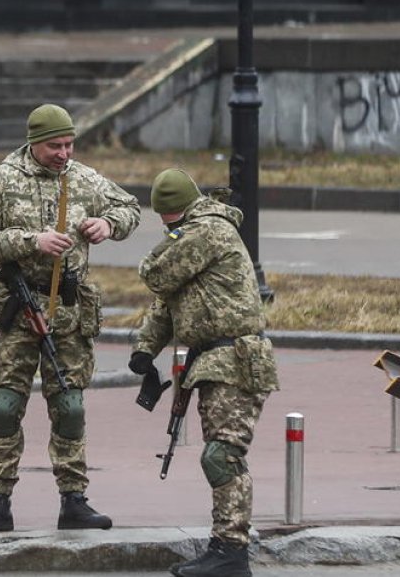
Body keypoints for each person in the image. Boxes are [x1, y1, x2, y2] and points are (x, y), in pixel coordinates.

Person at [0, 103, 141, 532]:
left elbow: (131, 208)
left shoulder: (83, 178)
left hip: (68, 314)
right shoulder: (1, 182)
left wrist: (108, 223)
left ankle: (74, 499)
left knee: (70, 406)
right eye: (54, 146)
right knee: (5, 407)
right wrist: (31, 241)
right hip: (18, 312)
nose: (64, 153)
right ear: (33, 143)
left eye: (68, 144)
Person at [128, 168, 279, 577]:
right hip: (214, 360)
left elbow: (155, 272)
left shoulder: (208, 230)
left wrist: (170, 240)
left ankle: (231, 552)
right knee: (219, 454)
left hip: (236, 357)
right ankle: (224, 547)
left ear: (180, 211)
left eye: (169, 221)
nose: (167, 229)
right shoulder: (192, 235)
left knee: (222, 456)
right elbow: (167, 297)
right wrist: (145, 349)